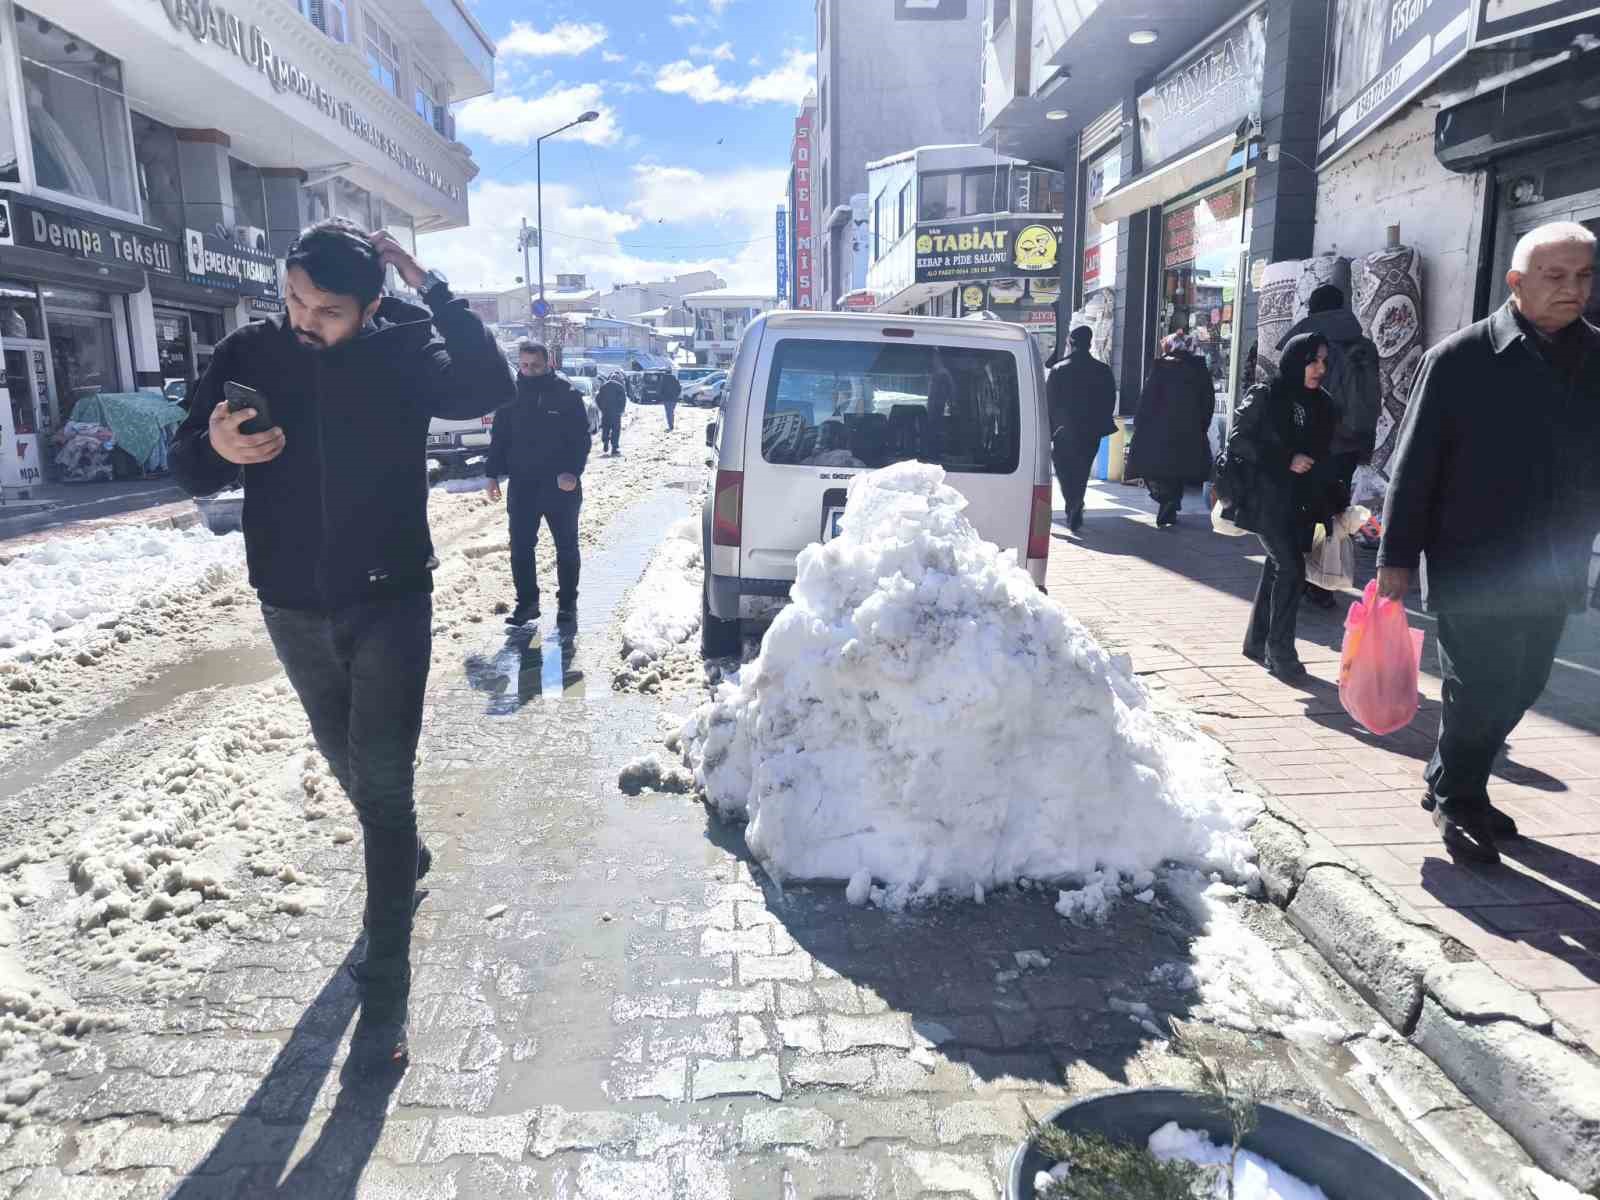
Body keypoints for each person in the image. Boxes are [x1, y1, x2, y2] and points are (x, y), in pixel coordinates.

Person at [170, 218, 515, 1064]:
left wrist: (428, 287)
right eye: (294, 299)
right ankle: (406, 859)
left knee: (385, 787)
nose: (304, 319)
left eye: (327, 309)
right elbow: (185, 461)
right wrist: (215, 446)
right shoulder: (251, 352)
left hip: (391, 597)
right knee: (346, 762)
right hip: (289, 601)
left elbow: (488, 383)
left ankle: (386, 989)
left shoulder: (404, 347)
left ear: (368, 308)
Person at [1378, 221, 1600, 864]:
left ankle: (1449, 775)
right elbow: (1413, 466)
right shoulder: (1459, 358)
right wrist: (1396, 559)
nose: (1573, 290)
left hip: (1552, 562)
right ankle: (1461, 800)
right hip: (1470, 558)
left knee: (1526, 682)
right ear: (1516, 282)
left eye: (1584, 276)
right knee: (1478, 686)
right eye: (1556, 277)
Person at [1230, 332, 1338, 682]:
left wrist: (1339, 503)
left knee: (1278, 568)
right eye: (1312, 360)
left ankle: (1256, 641)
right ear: (1295, 361)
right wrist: (1285, 459)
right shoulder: (1267, 395)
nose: (1319, 368)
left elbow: (1327, 457)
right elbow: (1239, 440)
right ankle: (1281, 654)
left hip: (1301, 504)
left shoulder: (1324, 404)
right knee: (1290, 569)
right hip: (1266, 499)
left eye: (1323, 361)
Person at [1279, 284, 1381, 607]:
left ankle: (1315, 581)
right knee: (1337, 507)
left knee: (1312, 507)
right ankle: (1326, 579)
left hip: (1323, 441)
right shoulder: (1364, 344)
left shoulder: (1316, 344)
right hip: (1353, 442)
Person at [486, 341, 591, 627]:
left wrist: (572, 471)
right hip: (523, 485)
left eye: (535, 365)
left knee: (566, 547)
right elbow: (500, 438)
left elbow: (581, 438)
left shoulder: (566, 394)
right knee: (521, 546)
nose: (528, 370)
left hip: (561, 485)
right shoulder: (510, 396)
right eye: (524, 365)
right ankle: (527, 603)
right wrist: (492, 474)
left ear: (548, 364)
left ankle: (567, 603)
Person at [1126, 331, 1215, 528]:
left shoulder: (1162, 366)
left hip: (1158, 428)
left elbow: (1147, 398)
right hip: (1189, 429)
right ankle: (1171, 505)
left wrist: (1139, 421)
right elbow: (1208, 401)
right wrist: (1202, 425)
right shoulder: (1199, 369)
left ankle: (1166, 500)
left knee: (1153, 468)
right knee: (1178, 470)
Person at [1046, 325, 1117, 532]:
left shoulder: (1059, 369)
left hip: (1064, 430)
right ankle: (1076, 501)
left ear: (1071, 343)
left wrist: (1051, 429)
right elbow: (1109, 399)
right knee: (1083, 468)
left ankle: (1073, 501)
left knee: (1063, 468)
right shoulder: (1103, 370)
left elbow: (1050, 403)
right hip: (1091, 430)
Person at [596, 371, 627, 456]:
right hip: (616, 414)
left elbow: (597, 398)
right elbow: (623, 400)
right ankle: (614, 448)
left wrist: (602, 408)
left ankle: (605, 441)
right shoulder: (620, 387)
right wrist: (621, 409)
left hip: (605, 413)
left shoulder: (603, 387)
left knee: (605, 428)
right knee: (615, 430)